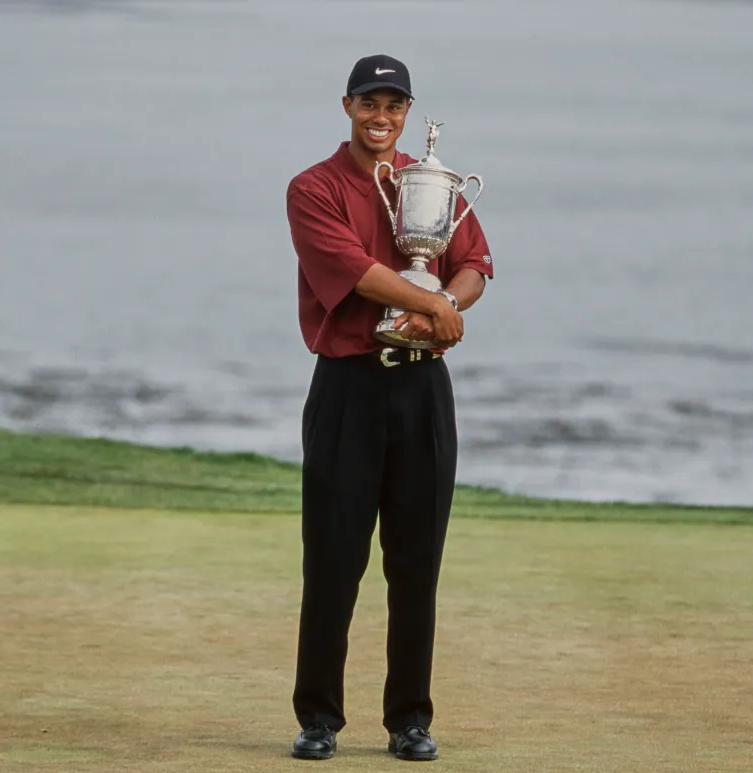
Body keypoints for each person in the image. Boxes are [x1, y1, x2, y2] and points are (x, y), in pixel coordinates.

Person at [284, 53, 494, 762]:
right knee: (333, 560)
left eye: (394, 105)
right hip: (348, 388)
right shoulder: (313, 187)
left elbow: (474, 264)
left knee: (416, 564)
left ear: (407, 113)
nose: (381, 117)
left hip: (422, 390)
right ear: (347, 106)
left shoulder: (429, 182)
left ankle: (410, 720)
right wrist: (435, 307)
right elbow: (356, 272)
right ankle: (319, 717)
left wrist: (445, 303)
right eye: (369, 103)